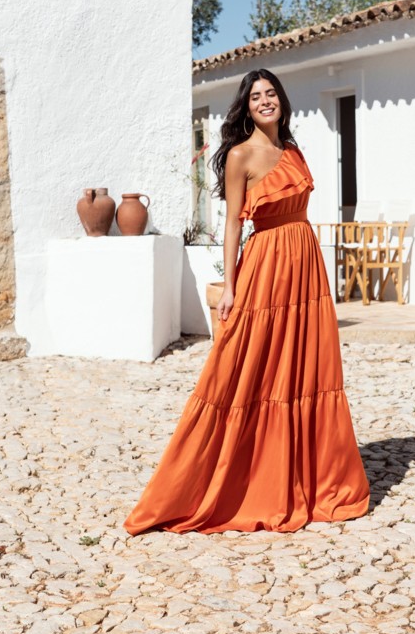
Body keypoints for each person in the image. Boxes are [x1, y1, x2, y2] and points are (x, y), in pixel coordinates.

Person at [124, 68, 370, 535]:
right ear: (246, 105)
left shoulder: (292, 150)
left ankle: (313, 477)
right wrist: (231, 286)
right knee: (246, 365)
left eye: (271, 93)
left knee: (306, 368)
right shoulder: (239, 156)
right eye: (256, 96)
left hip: (304, 265)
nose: (265, 101)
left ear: (281, 101)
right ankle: (220, 479)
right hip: (266, 264)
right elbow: (235, 225)